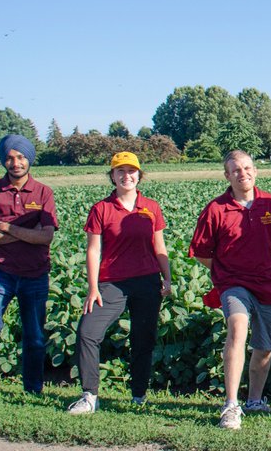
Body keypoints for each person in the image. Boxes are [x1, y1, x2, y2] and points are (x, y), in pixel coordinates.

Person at [188, 150, 271, 430]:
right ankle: (231, 404)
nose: (242, 174)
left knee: (264, 346)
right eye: (235, 170)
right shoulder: (215, 209)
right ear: (227, 176)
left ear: (255, 171)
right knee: (237, 327)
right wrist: (226, 269)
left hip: (268, 282)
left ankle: (254, 400)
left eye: (246, 168)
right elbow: (201, 252)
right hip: (233, 283)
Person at [67, 152, 173, 414]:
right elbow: (94, 250)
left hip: (147, 281)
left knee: (143, 340)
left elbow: (159, 246)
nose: (127, 176)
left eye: (131, 171)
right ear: (112, 176)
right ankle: (90, 396)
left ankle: (139, 396)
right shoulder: (101, 209)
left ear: (139, 175)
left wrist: (167, 277)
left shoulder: (151, 207)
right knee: (87, 332)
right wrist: (93, 288)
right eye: (120, 171)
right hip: (111, 283)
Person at [0, 134, 58, 400]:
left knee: (34, 335)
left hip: (35, 273)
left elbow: (46, 237)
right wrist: (27, 233)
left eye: (21, 157)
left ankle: (32, 389)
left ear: (29, 159)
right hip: (0, 272)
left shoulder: (43, 192)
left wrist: (6, 227)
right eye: (10, 158)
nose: (16, 163)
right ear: (4, 161)